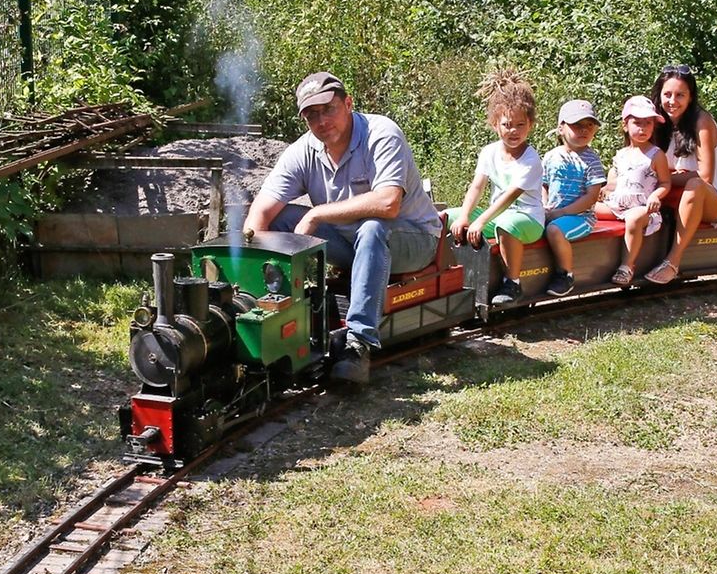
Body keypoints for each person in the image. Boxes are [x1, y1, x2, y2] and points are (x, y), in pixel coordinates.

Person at [244, 72, 442, 386]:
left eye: (329, 109)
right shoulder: (303, 151)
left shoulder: (381, 134)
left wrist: (317, 214)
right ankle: (274, 315)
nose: (322, 121)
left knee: (373, 228)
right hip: (351, 242)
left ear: (348, 104)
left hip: (412, 238)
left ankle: (358, 344)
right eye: (312, 115)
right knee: (281, 219)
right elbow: (261, 210)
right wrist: (249, 282)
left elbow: (389, 203)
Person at [445, 69, 545, 306]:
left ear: (530, 125)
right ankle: (448, 273)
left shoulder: (531, 159)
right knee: (448, 216)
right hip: (497, 216)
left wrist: (480, 222)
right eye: (507, 124)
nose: (514, 131)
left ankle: (513, 283)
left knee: (506, 224)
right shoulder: (490, 152)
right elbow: (477, 186)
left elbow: (509, 198)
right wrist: (467, 216)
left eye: (520, 125)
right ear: (495, 124)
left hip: (527, 219)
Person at [643, 65, 717, 284]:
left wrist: (666, 178)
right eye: (667, 94)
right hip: (679, 192)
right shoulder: (657, 122)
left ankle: (673, 262)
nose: (673, 101)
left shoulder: (702, 122)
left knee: (694, 185)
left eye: (680, 95)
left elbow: (705, 177)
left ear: (690, 97)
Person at [595, 95, 672, 286]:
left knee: (634, 218)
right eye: (637, 123)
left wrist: (656, 195)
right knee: (586, 208)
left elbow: (665, 183)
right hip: (618, 206)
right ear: (625, 125)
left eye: (648, 123)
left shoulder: (656, 155)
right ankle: (590, 262)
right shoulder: (621, 155)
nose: (643, 128)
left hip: (643, 208)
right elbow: (615, 182)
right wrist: (605, 189)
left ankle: (627, 266)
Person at [541, 99, 607, 296]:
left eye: (589, 125)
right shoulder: (551, 156)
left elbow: (591, 197)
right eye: (576, 125)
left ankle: (566, 275)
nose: (583, 130)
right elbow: (543, 185)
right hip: (553, 213)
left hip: (581, 217)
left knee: (554, 230)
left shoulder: (591, 160)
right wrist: (545, 206)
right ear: (561, 129)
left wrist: (560, 213)